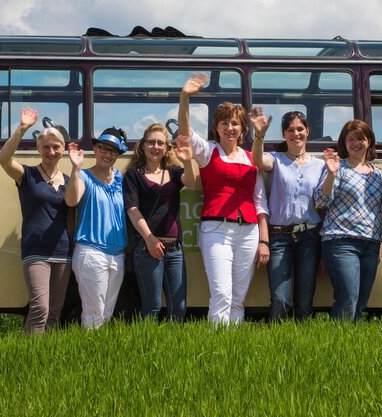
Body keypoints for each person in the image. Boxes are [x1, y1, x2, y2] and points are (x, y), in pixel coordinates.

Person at [178, 72, 270, 326]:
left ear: (243, 129)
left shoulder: (252, 158)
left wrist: (264, 240)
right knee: (221, 293)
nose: (230, 128)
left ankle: (232, 344)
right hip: (216, 229)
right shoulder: (209, 151)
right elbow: (185, 132)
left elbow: (260, 202)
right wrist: (185, 97)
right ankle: (216, 342)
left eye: (235, 123)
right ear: (217, 128)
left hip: (249, 231)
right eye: (224, 123)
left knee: (238, 297)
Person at [0, 106, 72, 334]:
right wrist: (22, 128)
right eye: (46, 147)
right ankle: (30, 353)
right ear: (38, 149)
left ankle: (47, 354)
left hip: (63, 253)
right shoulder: (27, 175)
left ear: (63, 149)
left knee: (55, 311)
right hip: (36, 252)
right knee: (40, 309)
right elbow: (3, 159)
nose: (51, 151)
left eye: (56, 147)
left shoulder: (69, 180)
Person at [250, 108, 324, 321]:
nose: (295, 133)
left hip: (309, 236)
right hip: (279, 237)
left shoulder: (320, 165)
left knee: (305, 299)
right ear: (284, 134)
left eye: (300, 129)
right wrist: (260, 135)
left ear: (308, 131)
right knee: (280, 298)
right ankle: (277, 335)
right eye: (290, 130)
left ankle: (302, 337)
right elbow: (257, 160)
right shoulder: (276, 160)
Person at [123, 124, 198, 321]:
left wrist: (188, 160)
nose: (155, 147)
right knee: (152, 307)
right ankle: (147, 342)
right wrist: (149, 239)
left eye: (160, 143)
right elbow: (132, 209)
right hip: (147, 247)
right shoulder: (133, 175)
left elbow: (191, 181)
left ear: (166, 147)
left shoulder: (173, 172)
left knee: (179, 308)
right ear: (142, 145)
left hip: (175, 249)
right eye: (151, 142)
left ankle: (173, 342)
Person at [315, 120, 382, 321]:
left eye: (360, 138)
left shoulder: (377, 174)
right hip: (341, 242)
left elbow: (379, 211)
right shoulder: (339, 168)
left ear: (369, 141)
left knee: (361, 302)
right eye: (350, 139)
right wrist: (331, 174)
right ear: (344, 143)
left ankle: (352, 339)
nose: (355, 143)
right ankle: (340, 338)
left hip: (370, 243)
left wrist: (379, 244)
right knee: (348, 300)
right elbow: (321, 201)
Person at [65, 126, 129, 328]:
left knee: (106, 314)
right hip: (91, 252)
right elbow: (71, 200)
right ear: (95, 149)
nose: (107, 154)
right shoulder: (84, 176)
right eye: (103, 148)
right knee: (94, 314)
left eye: (112, 151)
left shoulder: (121, 179)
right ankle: (90, 347)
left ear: (118, 154)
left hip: (117, 255)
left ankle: (98, 347)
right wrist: (75, 168)